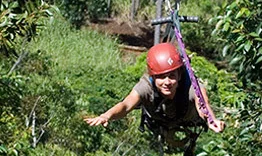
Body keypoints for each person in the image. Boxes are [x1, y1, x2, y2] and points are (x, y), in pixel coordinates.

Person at [84, 43, 225, 140]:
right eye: (161, 77)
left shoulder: (192, 86)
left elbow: (203, 104)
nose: (167, 82)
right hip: (160, 121)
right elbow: (126, 105)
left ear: (179, 75)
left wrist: (211, 120)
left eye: (172, 76)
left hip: (188, 119)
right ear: (153, 77)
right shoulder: (146, 86)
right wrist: (106, 115)